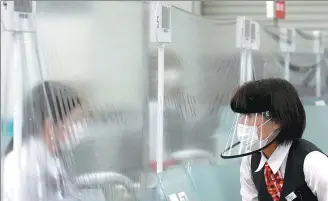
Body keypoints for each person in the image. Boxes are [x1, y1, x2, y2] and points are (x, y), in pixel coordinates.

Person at [229, 78, 328, 201]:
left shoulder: (313, 162)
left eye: (249, 116)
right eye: (241, 115)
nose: (242, 123)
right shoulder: (250, 161)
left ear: (277, 121)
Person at [3, 81, 83, 201]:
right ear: (49, 125)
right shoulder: (25, 166)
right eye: (75, 122)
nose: (80, 127)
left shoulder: (51, 153)